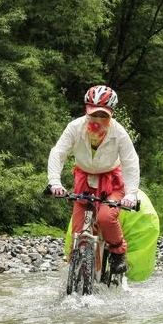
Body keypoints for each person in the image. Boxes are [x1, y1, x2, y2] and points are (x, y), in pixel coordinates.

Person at [47, 85, 140, 274]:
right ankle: (77, 270)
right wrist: (54, 182)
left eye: (103, 116)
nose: (97, 120)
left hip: (112, 181)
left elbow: (130, 162)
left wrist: (131, 194)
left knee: (106, 217)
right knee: (78, 229)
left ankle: (117, 252)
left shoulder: (119, 133)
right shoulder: (74, 127)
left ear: (111, 115)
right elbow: (58, 153)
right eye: (93, 115)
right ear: (86, 112)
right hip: (83, 180)